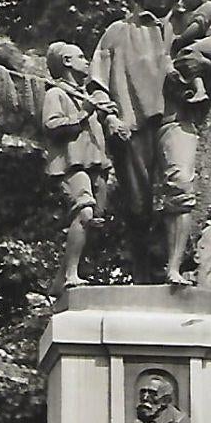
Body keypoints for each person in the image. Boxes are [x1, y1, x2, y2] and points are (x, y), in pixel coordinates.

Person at [89, 0, 211, 285]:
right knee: (138, 207)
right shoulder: (118, 32)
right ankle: (143, 277)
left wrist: (201, 58)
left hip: (176, 117)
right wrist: (109, 116)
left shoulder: (187, 23)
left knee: (181, 185)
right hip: (133, 124)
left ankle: (173, 268)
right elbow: (96, 83)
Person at [41, 41, 128, 289]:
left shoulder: (86, 96)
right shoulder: (56, 93)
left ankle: (60, 280)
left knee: (94, 220)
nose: (87, 61)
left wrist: (107, 115)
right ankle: (70, 276)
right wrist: (83, 113)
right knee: (84, 212)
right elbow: (52, 126)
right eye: (81, 57)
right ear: (67, 62)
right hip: (71, 164)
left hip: (96, 164)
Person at [124, 371, 190, 423]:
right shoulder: (133, 422)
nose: (145, 398)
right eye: (143, 392)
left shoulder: (180, 422)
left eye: (152, 394)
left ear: (166, 400)